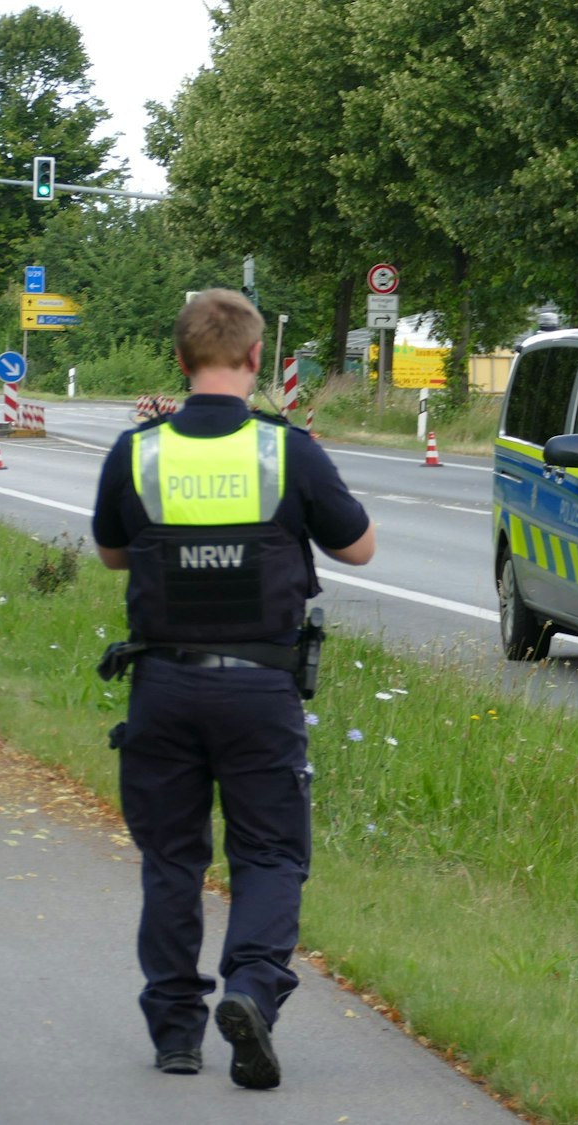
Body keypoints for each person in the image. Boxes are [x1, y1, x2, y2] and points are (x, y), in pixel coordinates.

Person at [90, 289, 376, 1089]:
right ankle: (250, 989)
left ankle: (177, 1031)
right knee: (272, 852)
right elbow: (358, 548)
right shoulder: (288, 450)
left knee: (171, 860)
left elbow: (114, 555)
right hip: (260, 688)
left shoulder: (138, 452)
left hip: (163, 685)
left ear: (179, 362)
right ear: (257, 359)